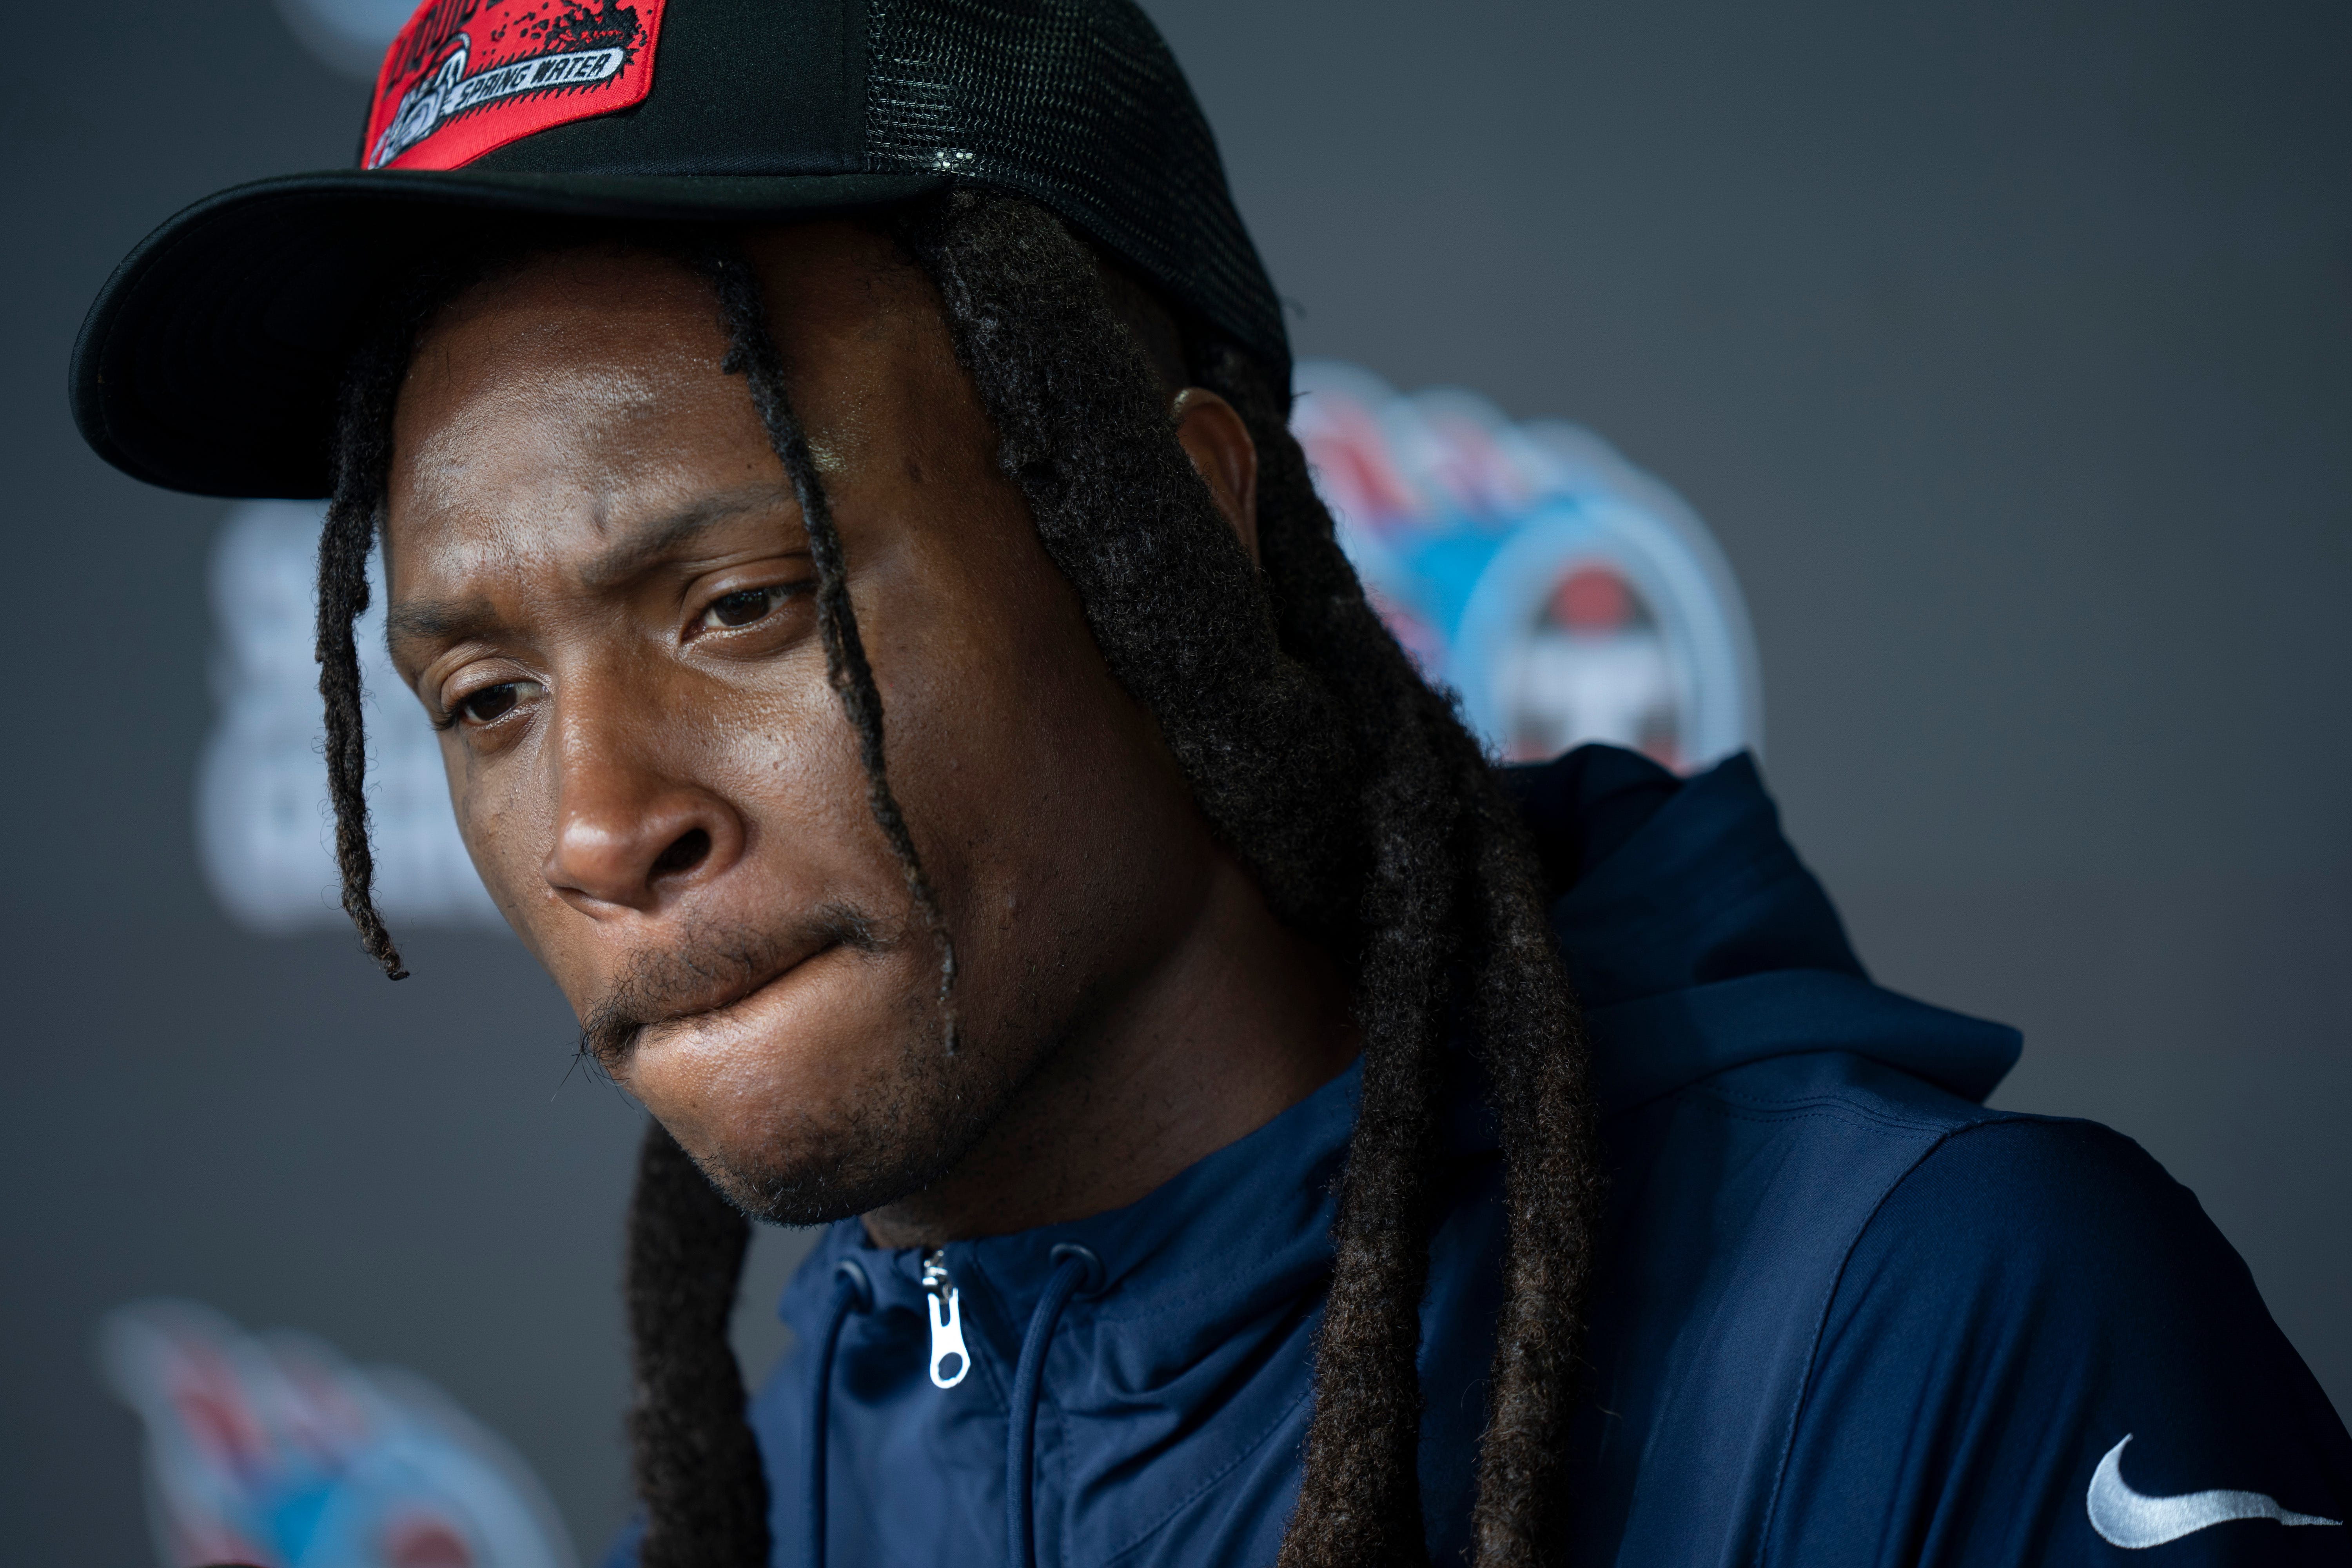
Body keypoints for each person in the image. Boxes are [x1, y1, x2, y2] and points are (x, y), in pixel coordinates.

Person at [71, 1, 2349, 1564]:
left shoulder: (1926, 1323)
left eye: (745, 605)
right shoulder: (826, 1444)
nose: (592, 825)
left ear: (1170, 531)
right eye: (478, 695)